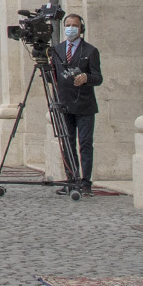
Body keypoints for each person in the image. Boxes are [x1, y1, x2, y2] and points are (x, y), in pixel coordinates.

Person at [50, 14, 104, 194]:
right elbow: (53, 78)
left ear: (81, 29)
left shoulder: (90, 51)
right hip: (65, 105)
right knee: (68, 143)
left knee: (85, 144)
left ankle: (86, 182)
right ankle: (71, 179)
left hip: (85, 105)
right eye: (68, 25)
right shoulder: (57, 50)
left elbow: (98, 78)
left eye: (74, 25)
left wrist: (86, 77)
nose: (71, 28)